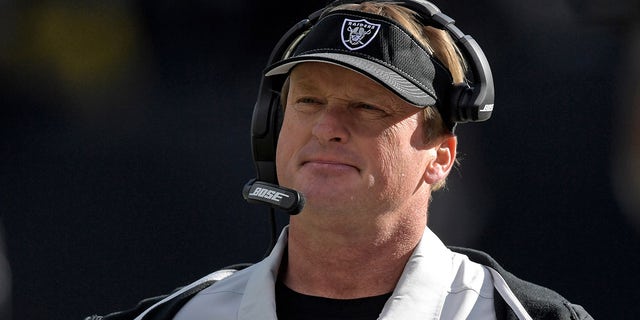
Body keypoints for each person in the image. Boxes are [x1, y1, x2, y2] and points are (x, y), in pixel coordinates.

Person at [85, 1, 593, 319]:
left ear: (440, 156)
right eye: (307, 101)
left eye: (368, 106)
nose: (328, 126)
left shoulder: (530, 316)